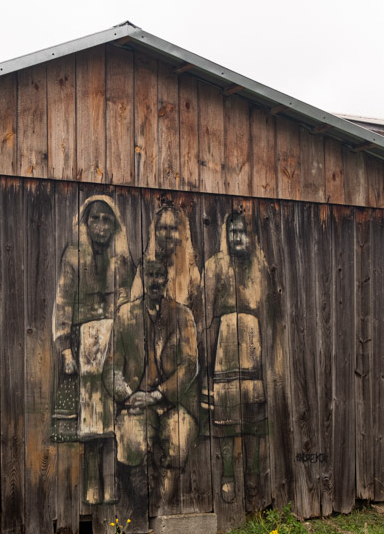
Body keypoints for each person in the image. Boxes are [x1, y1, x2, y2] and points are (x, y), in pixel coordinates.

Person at [51, 195, 134, 504]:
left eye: (106, 220)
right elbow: (62, 304)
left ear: (115, 225)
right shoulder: (73, 257)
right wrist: (65, 351)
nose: (100, 226)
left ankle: (110, 483)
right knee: (90, 419)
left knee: (113, 417)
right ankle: (91, 483)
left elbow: (130, 306)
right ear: (85, 223)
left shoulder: (122, 260)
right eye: (94, 219)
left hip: (115, 341)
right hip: (85, 343)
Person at [107, 258, 199, 506]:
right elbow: (111, 368)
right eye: (150, 275)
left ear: (166, 280)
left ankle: (163, 505)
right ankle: (141, 490)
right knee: (131, 443)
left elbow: (190, 365)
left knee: (179, 442)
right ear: (142, 279)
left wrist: (158, 394)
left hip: (172, 402)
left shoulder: (182, 315)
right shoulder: (125, 315)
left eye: (160, 275)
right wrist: (127, 396)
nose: (155, 281)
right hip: (135, 402)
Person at [201, 209, 270, 501]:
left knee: (254, 416)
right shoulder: (215, 266)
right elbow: (205, 315)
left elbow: (270, 311)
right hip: (225, 345)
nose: (236, 237)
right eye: (231, 232)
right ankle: (228, 471)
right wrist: (206, 362)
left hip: (253, 344)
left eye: (241, 231)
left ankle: (253, 474)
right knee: (227, 415)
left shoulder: (259, 265)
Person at [130, 204, 201, 309]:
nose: (168, 234)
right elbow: (134, 306)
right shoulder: (144, 268)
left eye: (173, 228)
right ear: (155, 232)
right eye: (163, 228)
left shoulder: (191, 270)